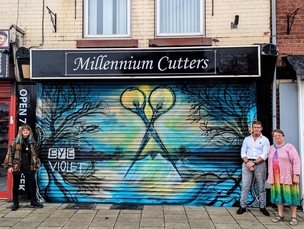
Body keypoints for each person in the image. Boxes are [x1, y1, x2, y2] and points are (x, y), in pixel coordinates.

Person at [4, 124, 43, 211]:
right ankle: (15, 203)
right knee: (16, 185)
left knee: (32, 184)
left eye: (27, 130)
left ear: (30, 132)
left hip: (29, 166)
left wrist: (37, 165)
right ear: (21, 132)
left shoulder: (32, 143)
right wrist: (9, 166)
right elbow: (9, 154)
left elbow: (35, 155)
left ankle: (33, 202)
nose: (25, 132)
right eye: (24, 130)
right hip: (17, 166)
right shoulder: (15, 142)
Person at [236, 121, 270, 216]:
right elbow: (243, 152)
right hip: (247, 163)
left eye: (258, 127)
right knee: (245, 186)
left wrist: (253, 163)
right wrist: (247, 163)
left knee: (261, 186)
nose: (256, 129)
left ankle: (262, 207)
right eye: (255, 127)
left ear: (261, 128)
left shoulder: (265, 140)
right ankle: (242, 206)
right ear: (252, 128)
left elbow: (265, 154)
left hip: (260, 163)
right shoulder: (247, 139)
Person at [267, 129, 301, 226]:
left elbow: (296, 161)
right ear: (273, 137)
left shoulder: (289, 147)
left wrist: (296, 175)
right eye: (275, 136)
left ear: (283, 136)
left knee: (292, 196)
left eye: (279, 135)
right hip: (276, 177)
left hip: (288, 177)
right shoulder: (270, 148)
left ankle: (294, 217)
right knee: (279, 196)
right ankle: (280, 215)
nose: (277, 137)